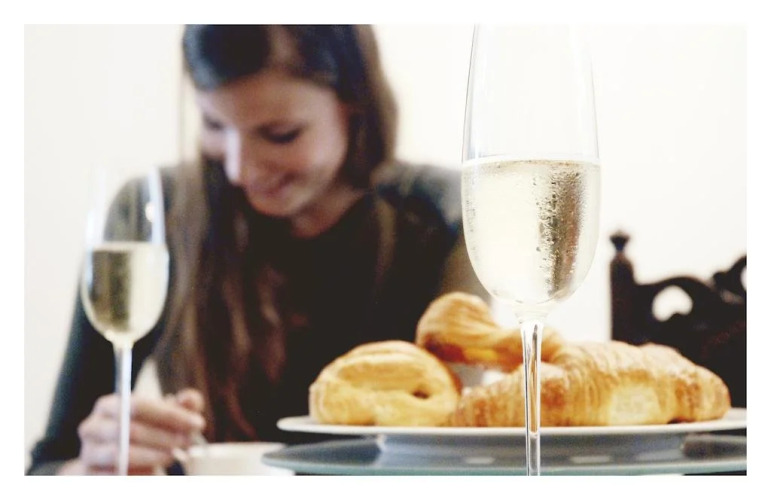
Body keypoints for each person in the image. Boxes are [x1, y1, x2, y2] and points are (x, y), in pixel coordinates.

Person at [28, 24, 486, 475]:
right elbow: (50, 465)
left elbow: (446, 452)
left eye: (280, 134)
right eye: (214, 125)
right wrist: (95, 468)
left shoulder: (448, 216)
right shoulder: (151, 214)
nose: (239, 170)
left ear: (354, 102)